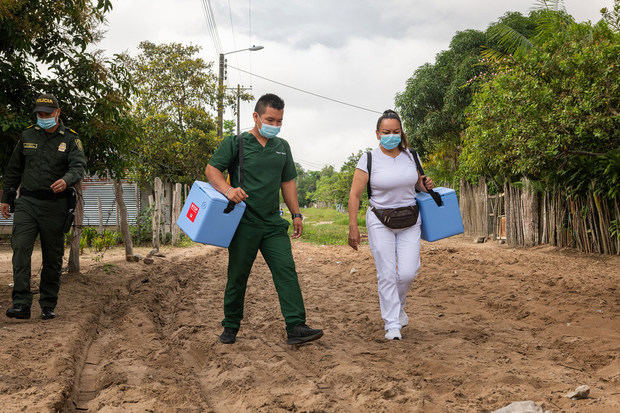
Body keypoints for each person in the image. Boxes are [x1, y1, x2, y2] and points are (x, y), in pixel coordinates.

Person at [205, 93, 323, 345]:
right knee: (237, 276)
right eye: (271, 119)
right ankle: (230, 326)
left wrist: (297, 214)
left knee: (286, 270)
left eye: (280, 121)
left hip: (272, 224)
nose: (275, 125)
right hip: (243, 223)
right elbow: (211, 170)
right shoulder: (236, 143)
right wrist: (228, 190)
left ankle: (296, 326)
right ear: (256, 117)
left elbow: (287, 182)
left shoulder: (282, 147)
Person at [347, 109, 434, 340]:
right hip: (379, 220)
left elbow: (418, 186)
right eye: (386, 132)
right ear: (377, 134)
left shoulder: (411, 156)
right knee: (386, 273)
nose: (391, 135)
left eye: (396, 131)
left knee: (407, 272)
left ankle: (398, 307)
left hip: (410, 219)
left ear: (401, 132)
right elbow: (355, 195)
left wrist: (426, 185)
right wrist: (353, 226)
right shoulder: (369, 159)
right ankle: (392, 323)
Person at [1, 94, 87, 320]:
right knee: (20, 248)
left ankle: (48, 304)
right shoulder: (27, 135)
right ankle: (21, 303)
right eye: (39, 114)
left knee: (53, 255)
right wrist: (6, 198)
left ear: (58, 113)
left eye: (47, 114)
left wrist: (67, 180)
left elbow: (79, 167)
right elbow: (13, 169)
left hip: (55, 206)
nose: (43, 118)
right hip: (27, 202)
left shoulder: (70, 139)